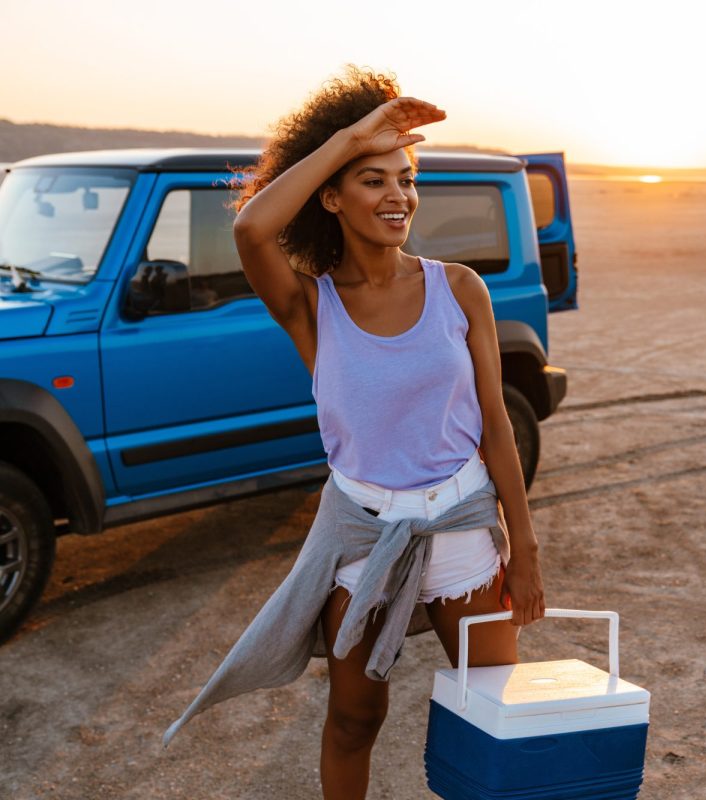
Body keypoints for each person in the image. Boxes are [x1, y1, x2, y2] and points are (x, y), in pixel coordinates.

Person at [228, 67, 545, 799]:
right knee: (353, 719)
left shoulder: (459, 287)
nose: (398, 196)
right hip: (365, 536)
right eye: (372, 180)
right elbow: (252, 226)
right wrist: (349, 137)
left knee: (498, 711)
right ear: (329, 197)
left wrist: (523, 546)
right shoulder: (311, 308)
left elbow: (495, 422)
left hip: (464, 526)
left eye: (406, 178)